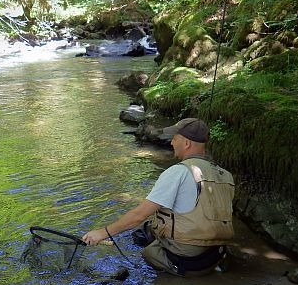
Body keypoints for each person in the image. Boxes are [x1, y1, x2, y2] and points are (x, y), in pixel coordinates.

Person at [82, 118, 235, 276]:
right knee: (149, 227)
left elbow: (139, 215)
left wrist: (102, 233)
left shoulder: (178, 172)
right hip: (216, 254)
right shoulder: (226, 176)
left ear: (187, 143)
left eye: (174, 139)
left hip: (189, 263)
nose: (171, 143)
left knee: (148, 251)